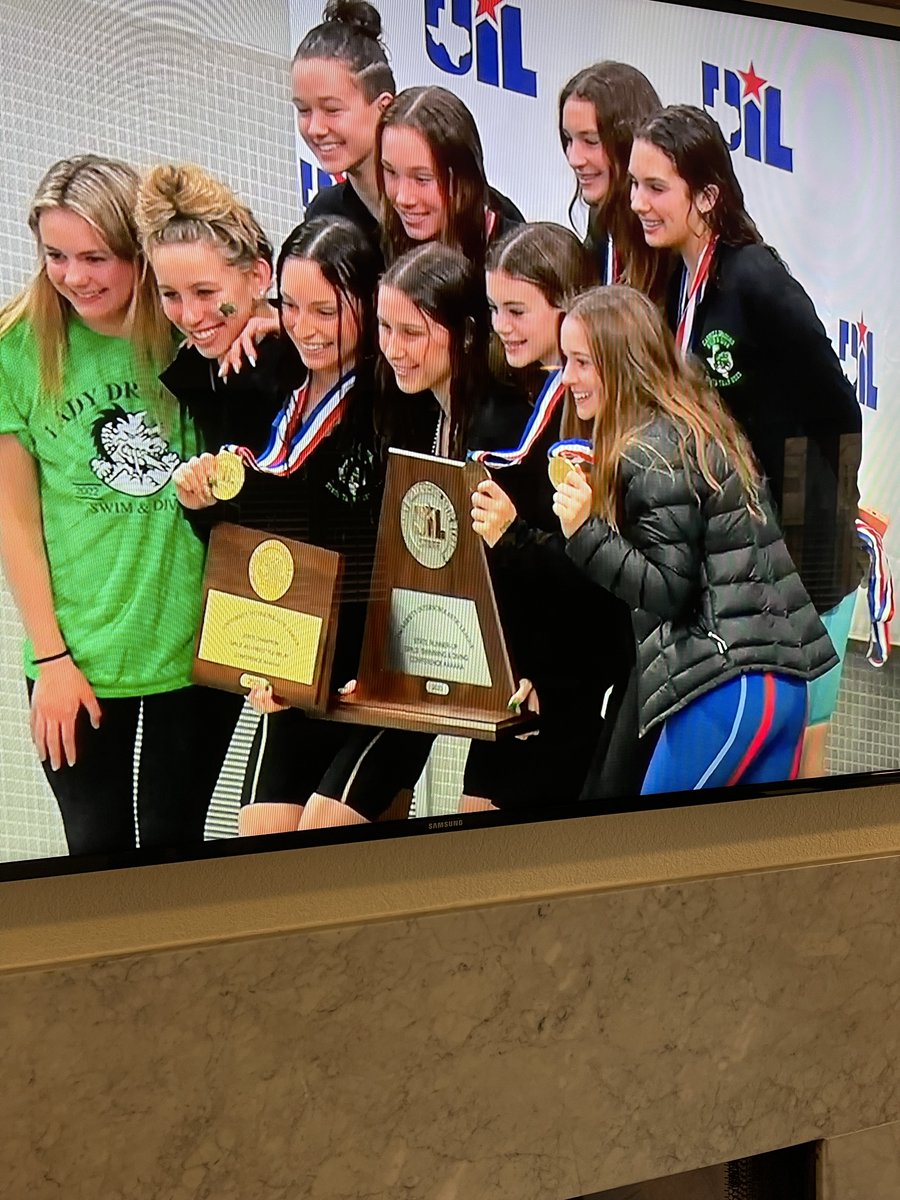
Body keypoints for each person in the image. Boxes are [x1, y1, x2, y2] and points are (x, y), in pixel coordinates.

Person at [502, 286, 840, 795]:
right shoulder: (697, 426)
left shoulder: (649, 449)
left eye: (581, 363)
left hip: (725, 689)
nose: (567, 377)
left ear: (622, 364)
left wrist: (585, 532)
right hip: (782, 687)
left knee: (642, 860)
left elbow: (669, 589)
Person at [0, 155, 238, 856]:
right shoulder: (18, 348)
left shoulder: (187, 331)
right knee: (95, 852)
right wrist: (51, 660)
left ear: (137, 252)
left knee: (173, 847)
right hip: (76, 658)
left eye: (96, 256)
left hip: (191, 653)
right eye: (56, 256)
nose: (75, 276)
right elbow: (15, 522)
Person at [138, 167, 386, 836]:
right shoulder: (224, 368)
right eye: (171, 295)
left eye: (207, 293)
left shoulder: (348, 382)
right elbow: (260, 536)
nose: (191, 315)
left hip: (369, 654)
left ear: (254, 280)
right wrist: (204, 505)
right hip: (291, 651)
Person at [629, 104, 865, 776]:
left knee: (796, 760)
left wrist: (802, 549)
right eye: (635, 185)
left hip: (798, 562)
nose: (639, 203)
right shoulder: (676, 277)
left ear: (707, 196)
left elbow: (838, 411)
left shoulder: (754, 276)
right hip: (732, 560)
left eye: (656, 187)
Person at [299, 242, 532, 828]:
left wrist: (538, 671)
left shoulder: (507, 424)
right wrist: (366, 659)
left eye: (414, 332)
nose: (395, 349)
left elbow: (532, 565)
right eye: (384, 327)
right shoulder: (410, 413)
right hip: (422, 661)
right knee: (326, 821)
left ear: (467, 335)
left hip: (506, 677)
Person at [467, 222, 634, 809]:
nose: (501, 326)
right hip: (517, 671)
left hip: (570, 680)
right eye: (494, 309)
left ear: (566, 308)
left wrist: (512, 536)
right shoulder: (502, 398)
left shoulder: (590, 413)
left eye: (517, 310)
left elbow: (599, 573)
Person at [376, 86, 524, 267]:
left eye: (422, 179)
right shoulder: (378, 249)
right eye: (391, 172)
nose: (402, 198)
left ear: (464, 180)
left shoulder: (517, 262)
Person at [558, 61, 667, 299]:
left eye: (591, 141)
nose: (574, 159)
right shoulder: (601, 219)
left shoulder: (669, 235)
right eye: (569, 139)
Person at [293, 0, 396, 238]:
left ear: (384, 107)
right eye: (304, 110)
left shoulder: (452, 210)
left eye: (332, 110)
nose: (315, 129)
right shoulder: (324, 216)